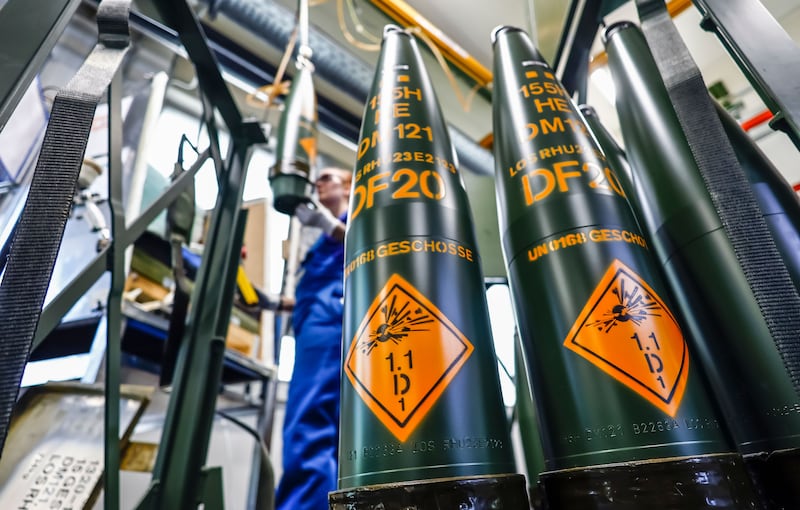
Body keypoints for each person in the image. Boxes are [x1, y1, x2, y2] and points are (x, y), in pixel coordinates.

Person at [275, 166, 351, 510]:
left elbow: (370, 252)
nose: (318, 183)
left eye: (327, 178)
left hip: (329, 325)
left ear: (348, 186)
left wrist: (328, 224)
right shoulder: (324, 238)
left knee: (309, 423)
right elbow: (315, 286)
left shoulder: (356, 219)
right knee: (316, 424)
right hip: (313, 326)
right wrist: (272, 302)